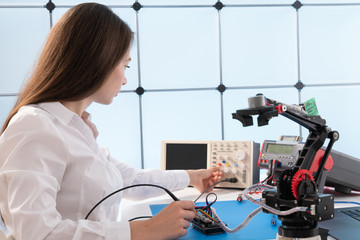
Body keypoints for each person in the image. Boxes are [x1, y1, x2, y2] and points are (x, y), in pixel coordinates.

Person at [0, 3, 223, 240]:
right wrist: (145, 230)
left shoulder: (77, 129)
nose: (126, 80)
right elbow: (36, 233)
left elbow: (129, 179)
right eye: (124, 66)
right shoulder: (35, 126)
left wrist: (192, 176)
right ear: (98, 60)